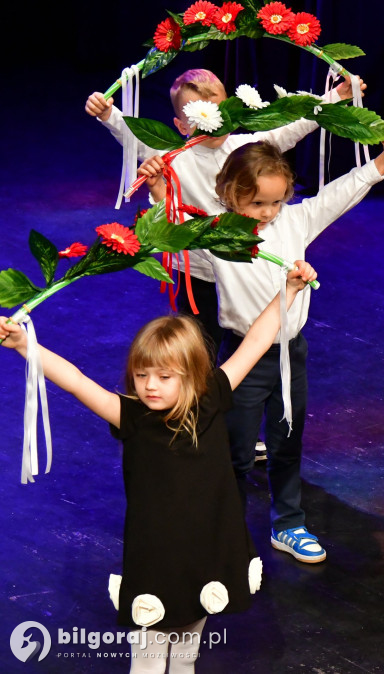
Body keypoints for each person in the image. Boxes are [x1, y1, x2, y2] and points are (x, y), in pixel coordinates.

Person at [1, 262, 318, 672]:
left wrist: (289, 291)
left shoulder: (214, 395)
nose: (150, 385)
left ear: (193, 376)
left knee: (186, 650)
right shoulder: (129, 415)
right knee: (148, 659)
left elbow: (256, 340)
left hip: (208, 542)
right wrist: (27, 346)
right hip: (157, 553)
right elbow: (77, 380)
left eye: (165, 376)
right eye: (141, 374)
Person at [152, 134, 384, 565]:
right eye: (257, 204)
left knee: (287, 440)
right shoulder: (217, 232)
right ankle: (225, 528)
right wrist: (161, 191)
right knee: (235, 451)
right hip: (242, 359)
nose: (268, 213)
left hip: (292, 353)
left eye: (276, 202)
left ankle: (288, 523)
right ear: (231, 195)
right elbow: (173, 230)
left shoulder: (295, 221)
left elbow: (339, 194)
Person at [86, 68, 365, 358]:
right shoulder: (172, 155)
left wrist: (336, 96)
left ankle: (243, 381)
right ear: (182, 125)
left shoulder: (244, 148)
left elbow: (290, 129)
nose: (214, 124)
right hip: (196, 270)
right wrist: (107, 114)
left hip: (241, 266)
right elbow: (135, 138)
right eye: (200, 118)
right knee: (199, 342)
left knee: (244, 333)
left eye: (220, 113)